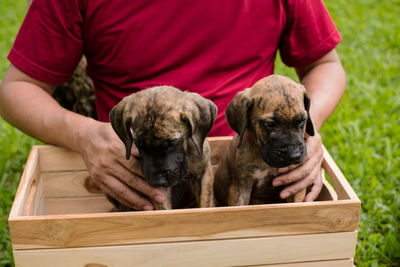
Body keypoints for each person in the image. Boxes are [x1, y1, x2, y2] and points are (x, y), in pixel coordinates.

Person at [0, 0, 345, 210]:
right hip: (137, 172)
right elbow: (16, 89)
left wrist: (305, 128)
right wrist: (85, 135)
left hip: (252, 167)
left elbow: (325, 65)